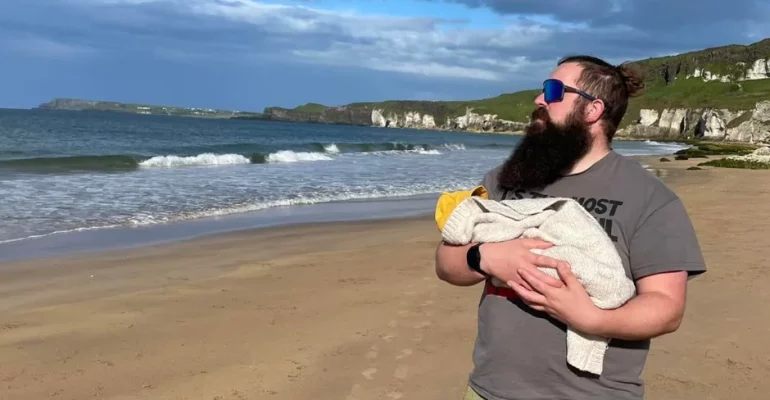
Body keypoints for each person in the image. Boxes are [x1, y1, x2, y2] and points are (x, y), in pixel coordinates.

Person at [434, 55, 707, 400]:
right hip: (488, 391)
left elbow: (667, 308)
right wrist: (483, 257)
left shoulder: (650, 198)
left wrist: (592, 319)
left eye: (553, 91)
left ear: (592, 110)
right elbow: (445, 263)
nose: (539, 100)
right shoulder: (506, 178)